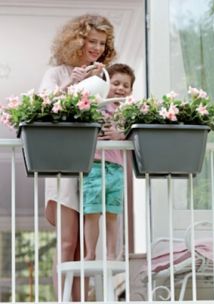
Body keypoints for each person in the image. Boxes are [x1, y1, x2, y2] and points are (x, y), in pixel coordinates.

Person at [39, 14, 116, 301]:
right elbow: (41, 108)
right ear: (76, 40)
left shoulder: (103, 76)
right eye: (91, 41)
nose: (96, 48)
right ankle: (62, 300)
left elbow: (111, 114)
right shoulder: (58, 73)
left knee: (86, 247)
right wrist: (71, 84)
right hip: (64, 166)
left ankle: (82, 300)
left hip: (94, 167)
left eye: (101, 43)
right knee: (68, 241)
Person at [83, 63, 135, 262]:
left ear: (130, 91)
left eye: (126, 85)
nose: (120, 88)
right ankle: (91, 253)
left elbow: (133, 137)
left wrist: (120, 134)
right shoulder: (97, 104)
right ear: (106, 84)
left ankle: (112, 253)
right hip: (94, 165)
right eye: (116, 83)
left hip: (116, 168)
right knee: (92, 212)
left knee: (113, 213)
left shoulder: (127, 113)